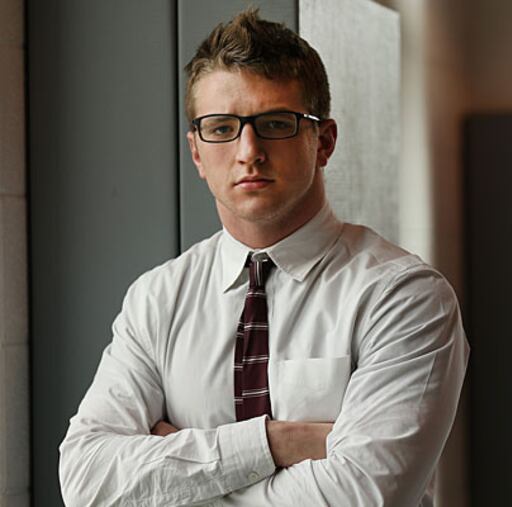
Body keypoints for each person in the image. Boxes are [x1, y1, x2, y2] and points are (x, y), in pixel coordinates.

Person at [59, 8, 469, 506]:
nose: (248, 150)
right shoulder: (157, 299)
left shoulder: (404, 297)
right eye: (222, 127)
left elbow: (362, 495)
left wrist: (175, 478)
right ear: (197, 153)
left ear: (324, 141)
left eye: (275, 123)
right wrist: (278, 442)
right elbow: (87, 483)